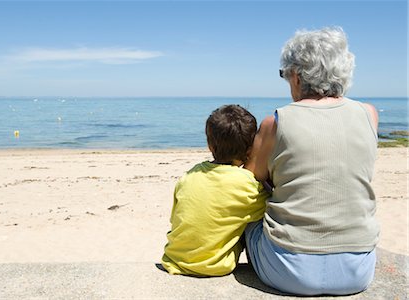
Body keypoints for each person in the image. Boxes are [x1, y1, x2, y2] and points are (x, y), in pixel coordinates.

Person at [244, 27, 380, 296]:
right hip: (358, 270)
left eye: (285, 75)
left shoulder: (276, 122)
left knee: (249, 208)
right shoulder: (369, 114)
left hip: (288, 269)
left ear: (296, 75)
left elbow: (251, 178)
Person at [161, 104, 269, 276]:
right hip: (216, 265)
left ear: (210, 145)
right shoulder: (247, 183)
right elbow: (269, 210)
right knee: (249, 215)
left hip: (175, 259)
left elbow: (176, 219)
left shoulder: (189, 175)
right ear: (250, 149)